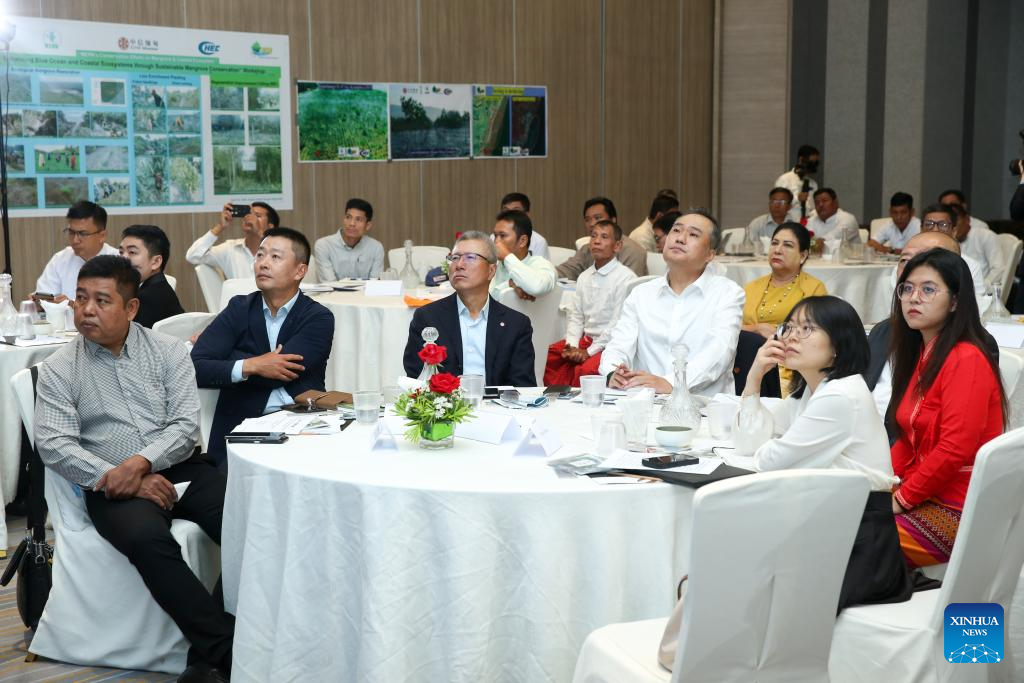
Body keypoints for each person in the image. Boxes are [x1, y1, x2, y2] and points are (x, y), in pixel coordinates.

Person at [35, 256, 234, 682]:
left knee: (248, 523)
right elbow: (54, 444)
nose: (86, 310)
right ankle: (227, 651)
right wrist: (119, 477)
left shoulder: (168, 351)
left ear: (131, 308)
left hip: (181, 467)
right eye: (81, 299)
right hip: (109, 484)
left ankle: (206, 657)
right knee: (147, 540)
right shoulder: (59, 368)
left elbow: (185, 426)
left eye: (101, 300)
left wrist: (140, 464)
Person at [742, 295, 912, 609]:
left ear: (838, 345)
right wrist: (755, 376)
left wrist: (773, 443)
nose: (792, 337)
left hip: (860, 542)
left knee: (750, 585)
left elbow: (769, 462)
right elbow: (752, 441)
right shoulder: (811, 390)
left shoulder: (840, 396)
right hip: (831, 526)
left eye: (807, 329)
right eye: (789, 327)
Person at [887, 248, 1006, 567]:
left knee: (854, 539)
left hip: (957, 507)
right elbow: (908, 438)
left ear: (955, 302)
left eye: (928, 289)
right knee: (842, 519)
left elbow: (955, 448)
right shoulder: (923, 354)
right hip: (925, 492)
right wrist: (882, 482)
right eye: (907, 288)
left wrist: (901, 499)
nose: (914, 298)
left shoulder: (965, 358)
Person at [191, 228, 334, 467]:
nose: (263, 263)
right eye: (260, 255)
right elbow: (196, 368)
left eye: (275, 257)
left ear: (300, 271)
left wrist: (231, 360)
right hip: (239, 426)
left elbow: (283, 371)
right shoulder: (238, 308)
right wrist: (251, 365)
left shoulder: (318, 317)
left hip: (301, 424)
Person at [599, 209, 743, 396]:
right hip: (645, 401)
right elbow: (618, 344)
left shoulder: (727, 293)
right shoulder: (641, 293)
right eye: (676, 230)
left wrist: (671, 383)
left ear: (710, 254)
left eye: (693, 234)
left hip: (702, 405)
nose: (680, 238)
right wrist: (613, 372)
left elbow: (719, 353)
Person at [866, 230, 997, 420]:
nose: (914, 267)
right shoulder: (883, 331)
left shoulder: (973, 350)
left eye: (928, 258)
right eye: (905, 260)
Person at [402, 231, 535, 386]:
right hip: (445, 401)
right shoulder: (427, 318)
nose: (459, 265)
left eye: (470, 257)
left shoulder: (516, 324)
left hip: (498, 401)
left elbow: (523, 387)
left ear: (491, 271)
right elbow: (416, 381)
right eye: (455, 258)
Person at [544, 220, 636, 386]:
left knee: (585, 371)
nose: (597, 241)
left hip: (608, 344)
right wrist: (572, 346)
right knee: (549, 357)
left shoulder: (625, 278)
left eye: (604, 237)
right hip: (585, 341)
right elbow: (576, 316)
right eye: (593, 236)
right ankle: (557, 399)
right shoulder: (584, 276)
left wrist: (588, 352)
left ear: (617, 246)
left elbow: (616, 325)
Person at [741, 222, 826, 393]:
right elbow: (729, 327)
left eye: (787, 245)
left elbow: (815, 338)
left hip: (789, 370)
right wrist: (756, 328)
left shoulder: (813, 289)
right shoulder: (752, 287)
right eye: (774, 243)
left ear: (803, 256)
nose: (778, 250)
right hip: (747, 364)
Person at [35, 200, 118, 302]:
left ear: (102, 236)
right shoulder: (60, 259)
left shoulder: (118, 262)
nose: (75, 240)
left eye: (83, 234)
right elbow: (44, 294)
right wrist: (39, 301)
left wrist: (72, 305)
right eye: (71, 232)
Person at [556, 197, 648, 279]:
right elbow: (567, 270)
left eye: (597, 218)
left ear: (613, 220)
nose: (592, 224)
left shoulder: (634, 252)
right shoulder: (587, 248)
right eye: (587, 220)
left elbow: (630, 287)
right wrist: (548, 274)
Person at [186, 201, 279, 279]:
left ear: (270, 226)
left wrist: (259, 233)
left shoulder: (279, 250)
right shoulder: (230, 248)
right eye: (248, 214)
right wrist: (220, 227)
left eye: (257, 216)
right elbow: (192, 256)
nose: (250, 218)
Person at [118, 225, 184, 328]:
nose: (123, 258)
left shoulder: (145, 299)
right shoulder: (160, 286)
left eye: (132, 252)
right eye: (121, 252)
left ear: (156, 262)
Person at [917, 203, 986, 296]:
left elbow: (977, 301)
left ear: (954, 231)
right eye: (929, 224)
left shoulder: (970, 266)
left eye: (943, 225)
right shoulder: (908, 261)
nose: (935, 230)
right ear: (921, 230)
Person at [490, 209, 557, 300]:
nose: (496, 241)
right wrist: (510, 284)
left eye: (503, 235)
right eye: (495, 236)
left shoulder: (541, 264)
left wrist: (507, 256)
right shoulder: (492, 264)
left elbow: (537, 287)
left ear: (523, 241)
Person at [313, 197, 385, 280]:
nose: (352, 223)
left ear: (367, 225)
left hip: (365, 289)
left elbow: (375, 283)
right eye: (348, 217)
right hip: (333, 289)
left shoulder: (376, 248)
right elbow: (329, 283)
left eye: (358, 219)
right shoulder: (324, 245)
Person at [949, 203, 1005, 288]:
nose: (953, 226)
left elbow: (999, 269)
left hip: (982, 289)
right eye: (950, 222)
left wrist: (981, 287)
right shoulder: (948, 241)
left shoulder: (985, 235)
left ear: (967, 219)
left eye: (956, 220)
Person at [774, 144, 820, 221]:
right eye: (811, 162)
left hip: (809, 223)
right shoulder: (785, 179)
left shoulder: (813, 184)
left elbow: (813, 207)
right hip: (789, 222)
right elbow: (778, 203)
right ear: (801, 159)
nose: (813, 166)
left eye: (816, 163)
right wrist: (797, 199)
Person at [499, 192, 550, 260]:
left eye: (515, 211)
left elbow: (541, 267)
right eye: (506, 211)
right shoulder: (494, 237)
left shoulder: (539, 242)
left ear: (526, 214)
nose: (510, 215)